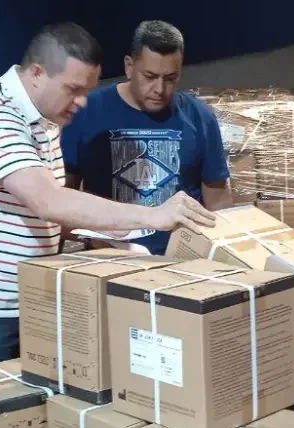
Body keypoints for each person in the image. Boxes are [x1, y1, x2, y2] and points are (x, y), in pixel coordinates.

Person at [0, 22, 216, 373]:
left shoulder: (44, 117)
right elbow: (48, 200)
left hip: (27, 297)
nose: (82, 102)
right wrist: (152, 215)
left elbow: (43, 213)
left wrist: (105, 234)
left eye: (87, 91)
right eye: (73, 89)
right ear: (37, 73)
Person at [61, 20, 232, 255]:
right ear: (129, 66)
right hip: (109, 260)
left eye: (170, 78)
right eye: (150, 76)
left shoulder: (200, 117)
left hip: (181, 262)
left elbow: (219, 204)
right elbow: (60, 202)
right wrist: (92, 237)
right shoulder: (86, 111)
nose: (160, 89)